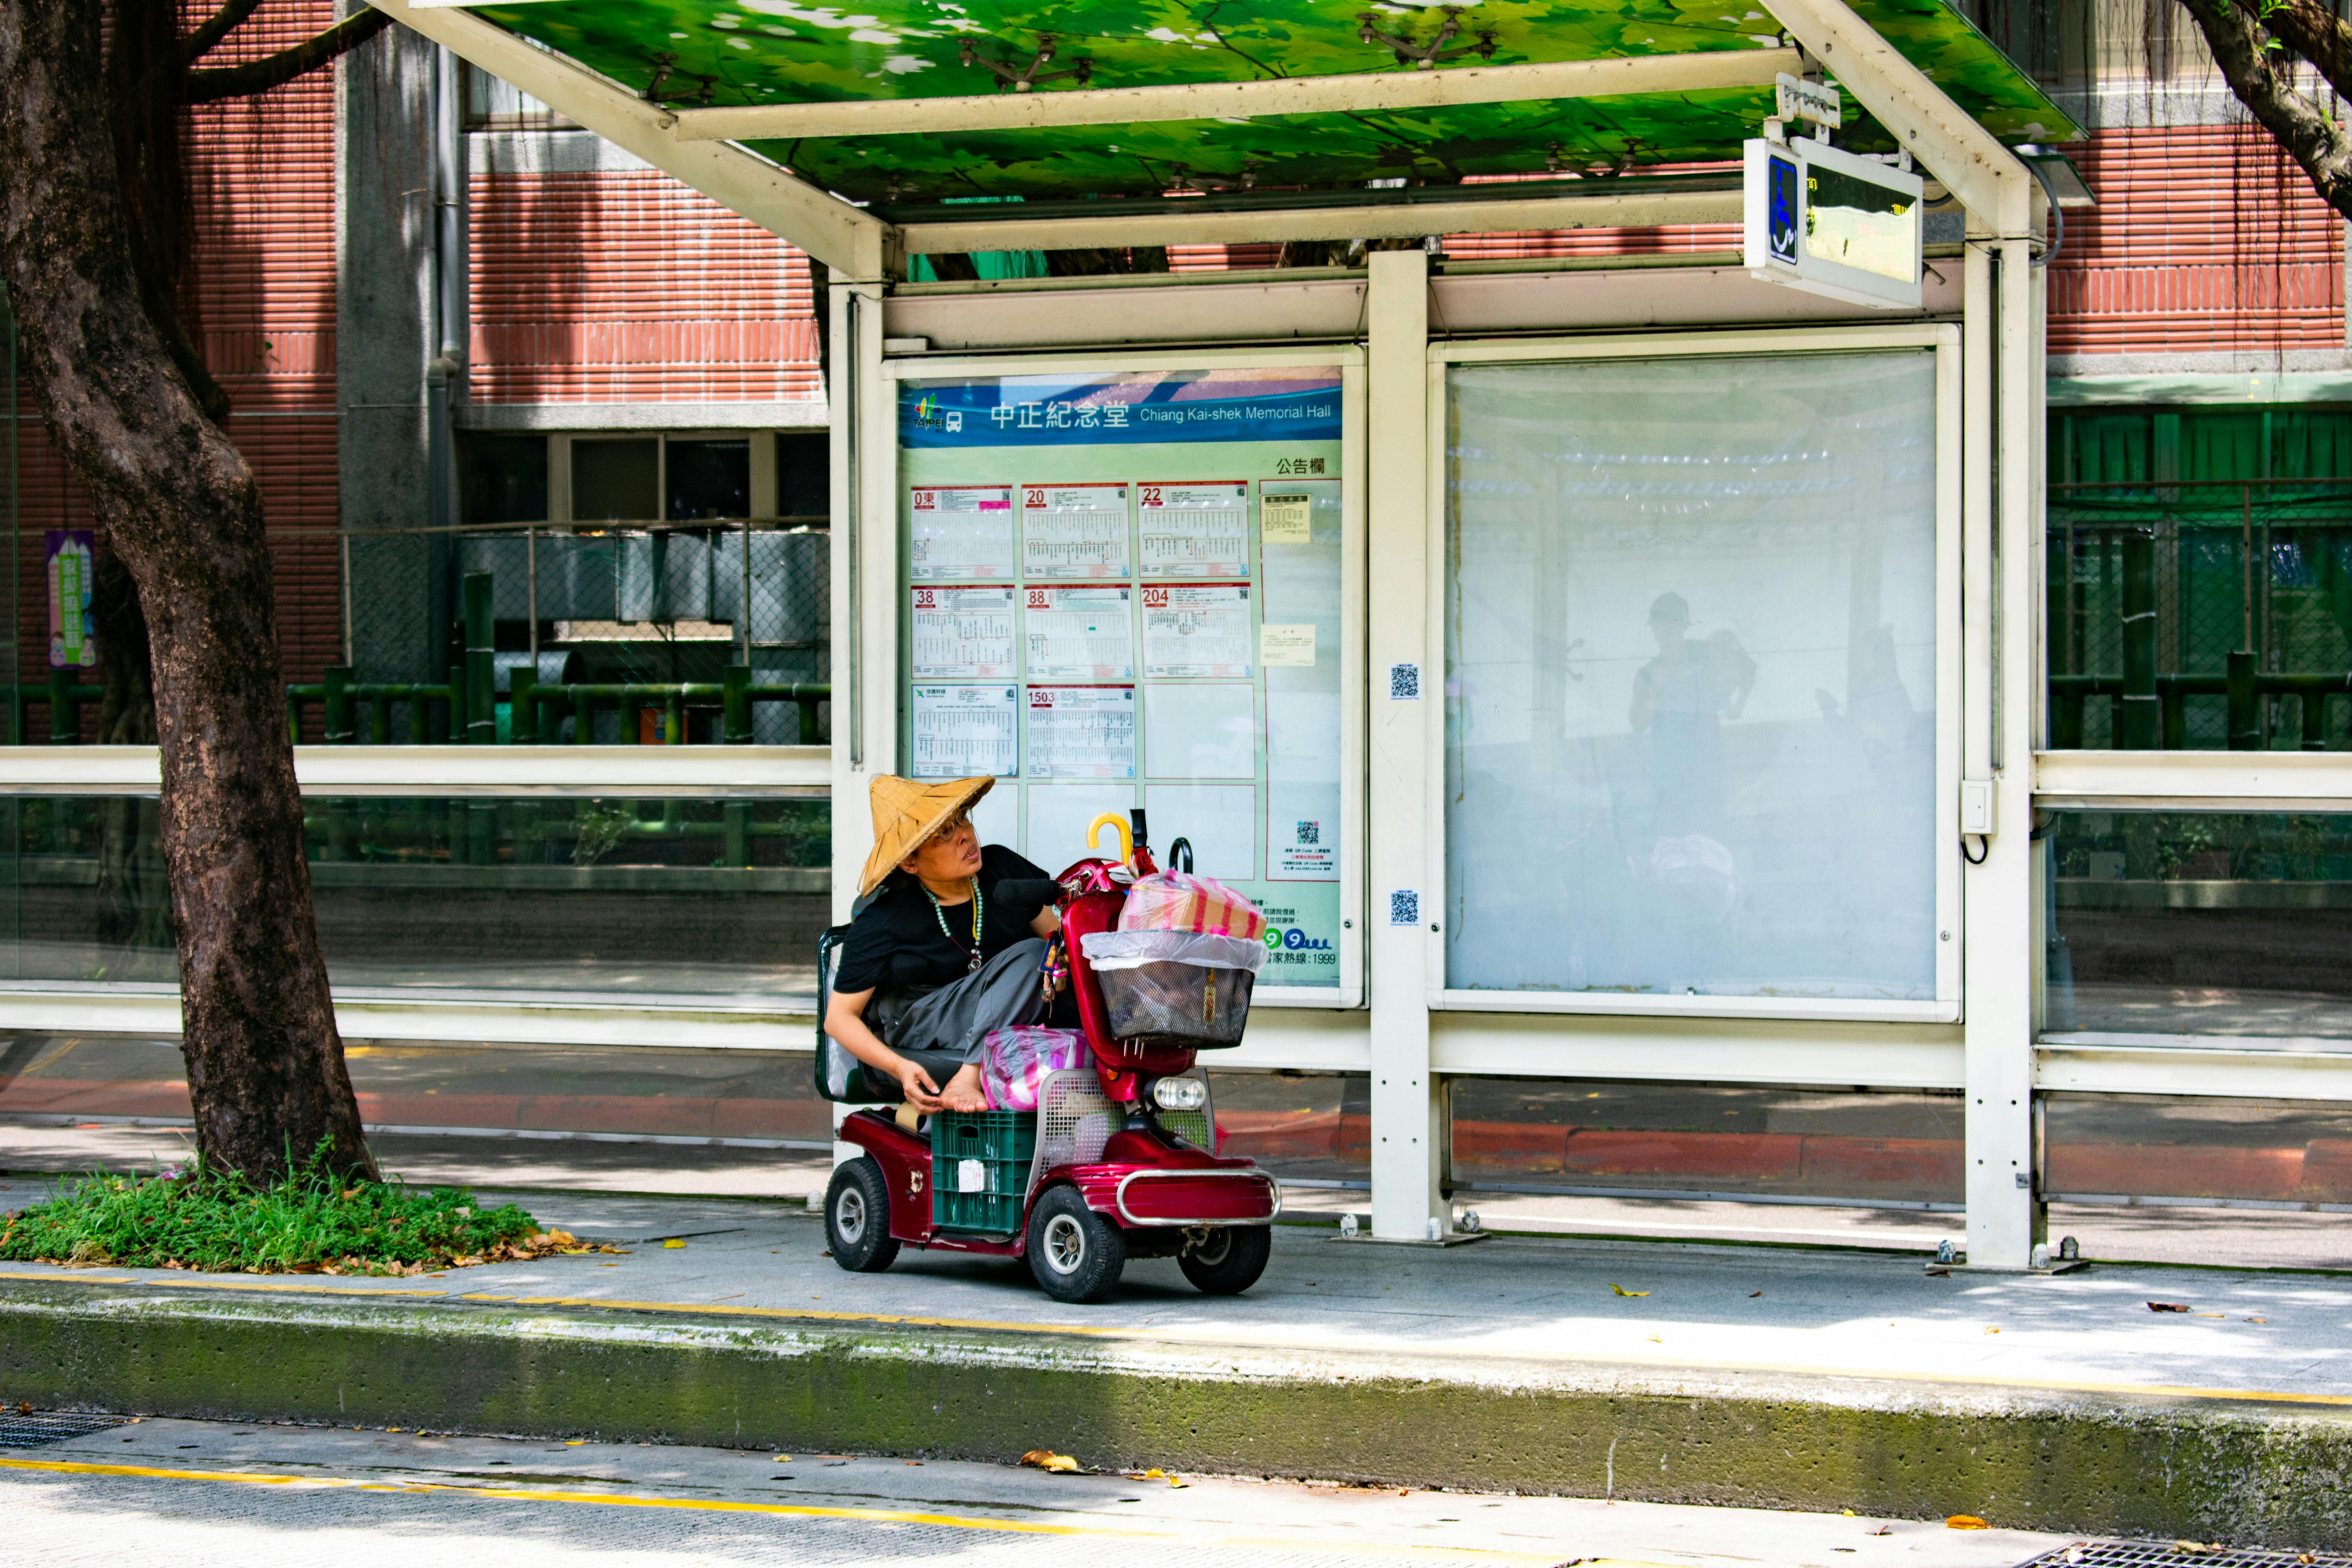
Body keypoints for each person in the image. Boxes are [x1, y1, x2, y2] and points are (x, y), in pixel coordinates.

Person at [824, 775, 1060, 1114]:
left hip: (1002, 1004)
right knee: (1034, 958)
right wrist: (898, 1067)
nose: (965, 835)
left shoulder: (1003, 869)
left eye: (962, 819)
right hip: (927, 1021)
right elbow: (839, 1019)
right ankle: (969, 1076)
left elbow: (1057, 941)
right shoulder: (884, 920)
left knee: (1060, 967)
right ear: (910, 862)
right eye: (944, 834)